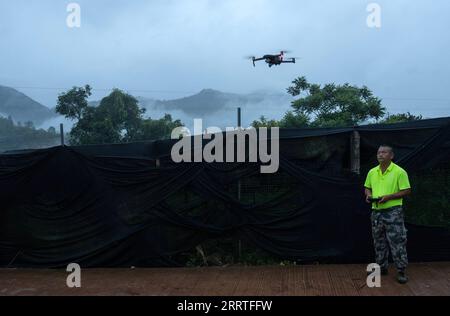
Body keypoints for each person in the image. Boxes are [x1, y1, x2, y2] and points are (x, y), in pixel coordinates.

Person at [364, 145, 412, 284]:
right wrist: (368, 195)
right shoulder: (372, 172)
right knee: (379, 241)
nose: (380, 154)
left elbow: (407, 190)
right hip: (376, 211)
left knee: (397, 241)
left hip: (393, 212)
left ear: (391, 155)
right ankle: (381, 268)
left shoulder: (399, 172)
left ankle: (401, 271)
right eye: (378, 152)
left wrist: (389, 197)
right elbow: (367, 187)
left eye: (384, 152)